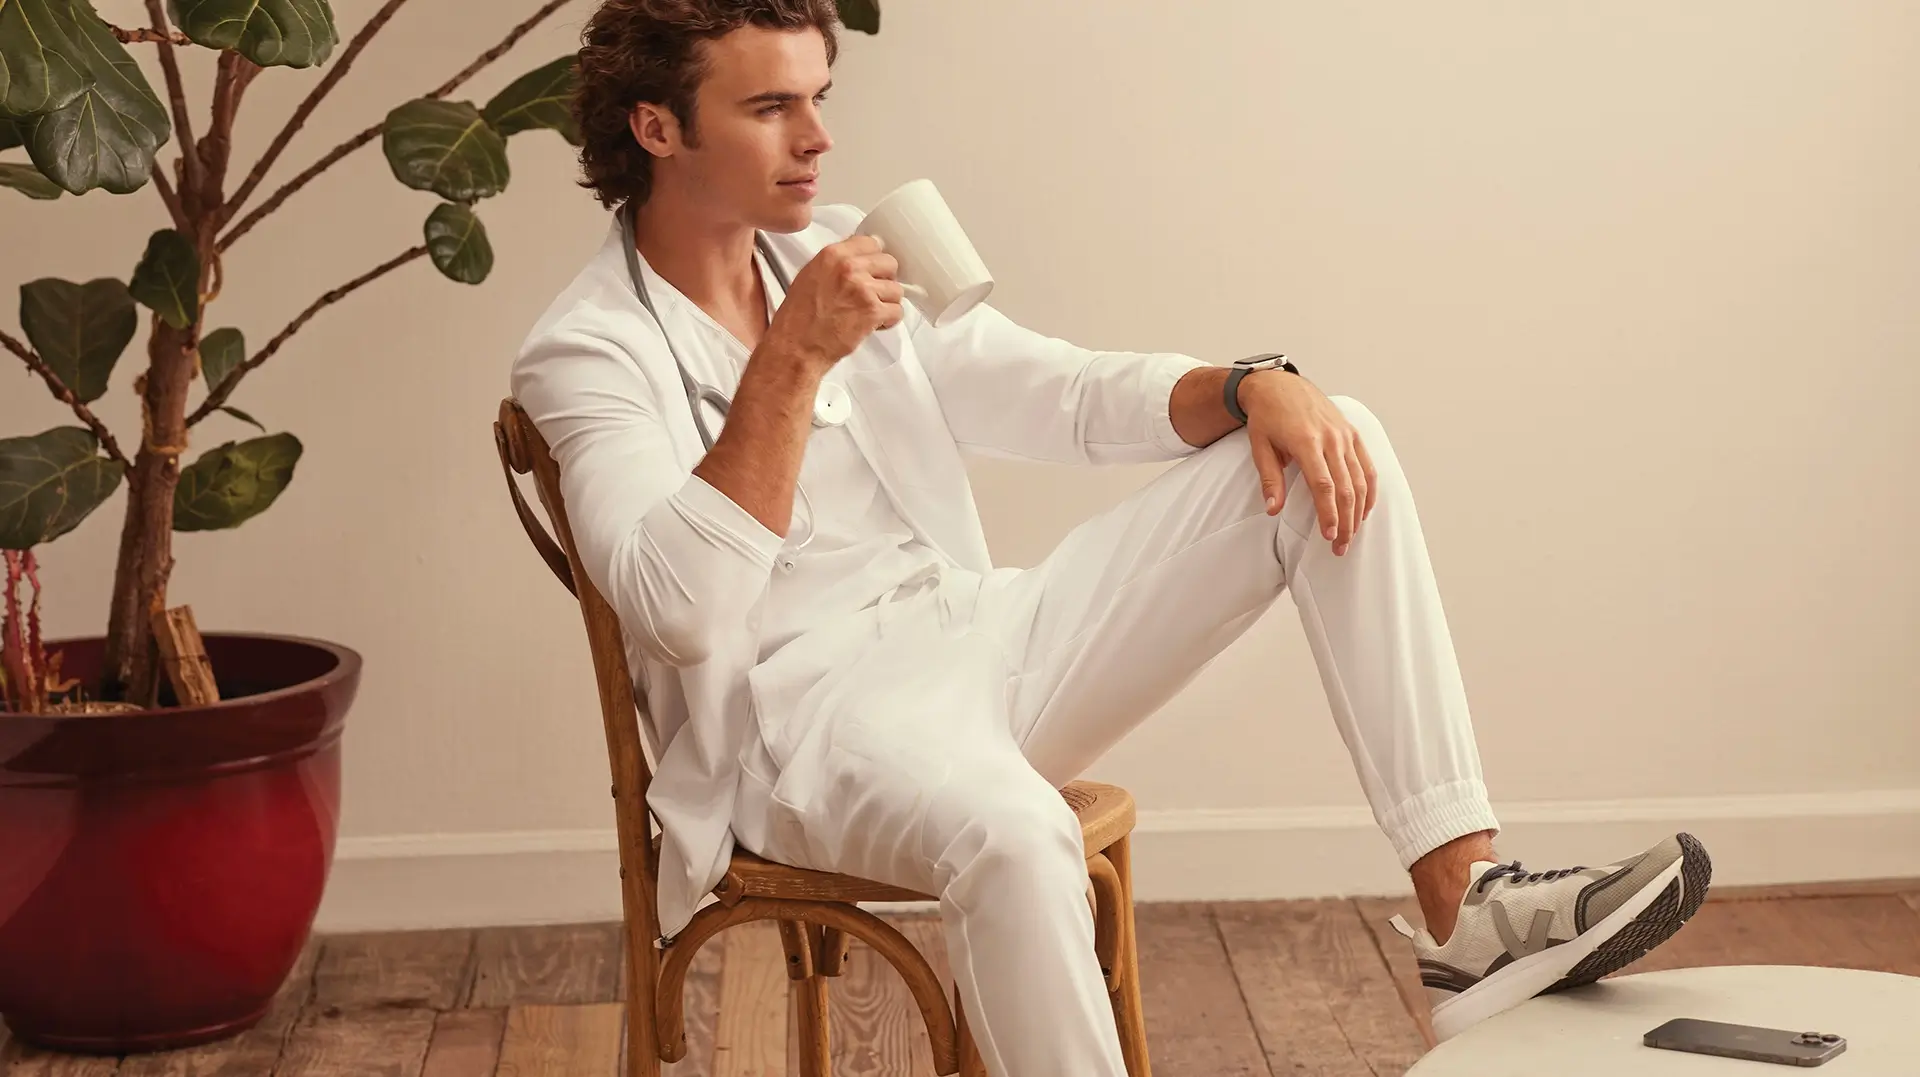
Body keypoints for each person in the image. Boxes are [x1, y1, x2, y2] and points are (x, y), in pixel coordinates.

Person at [510, 1, 1714, 1071]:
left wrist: (1248, 386)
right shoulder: (588, 352)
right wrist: (791, 358)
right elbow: (675, 608)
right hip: (806, 724)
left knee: (1337, 435)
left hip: (977, 632)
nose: (818, 139)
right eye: (771, 107)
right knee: (1020, 836)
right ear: (658, 130)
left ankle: (1464, 907)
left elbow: (1062, 395)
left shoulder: (827, 265)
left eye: (819, 98)